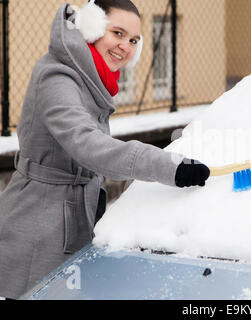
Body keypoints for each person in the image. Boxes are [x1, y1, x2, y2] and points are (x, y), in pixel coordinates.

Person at [0, 0, 209, 299]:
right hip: (37, 233)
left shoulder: (92, 79)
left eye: (134, 40)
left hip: (66, 224)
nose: (126, 47)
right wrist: (168, 165)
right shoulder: (57, 77)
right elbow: (86, 143)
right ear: (92, 28)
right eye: (118, 33)